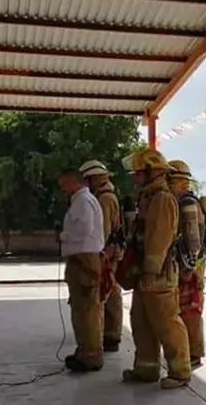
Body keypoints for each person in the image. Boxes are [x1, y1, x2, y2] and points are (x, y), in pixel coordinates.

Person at [120, 149, 191, 389]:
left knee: (166, 322)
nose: (134, 177)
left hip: (158, 274)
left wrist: (150, 270)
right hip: (145, 272)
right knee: (140, 320)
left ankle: (180, 372)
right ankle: (146, 369)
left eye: (138, 172)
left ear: (152, 172)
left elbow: (158, 238)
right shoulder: (148, 196)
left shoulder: (161, 198)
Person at [57, 169, 106, 373]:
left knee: (86, 309)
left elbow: (83, 229)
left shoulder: (83, 201)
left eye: (63, 183)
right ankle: (85, 350)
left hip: (84, 258)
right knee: (81, 307)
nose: (61, 188)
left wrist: (63, 236)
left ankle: (91, 354)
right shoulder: (83, 199)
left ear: (72, 181)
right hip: (83, 258)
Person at [79, 160, 124, 353]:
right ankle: (110, 334)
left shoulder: (105, 198)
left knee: (108, 292)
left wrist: (97, 253)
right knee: (110, 291)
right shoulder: (106, 195)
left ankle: (111, 335)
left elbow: (103, 229)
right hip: (111, 251)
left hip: (107, 253)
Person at [167, 160, 206, 368]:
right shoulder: (182, 201)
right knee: (187, 309)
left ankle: (193, 353)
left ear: (179, 182)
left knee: (190, 310)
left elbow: (192, 239)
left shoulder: (187, 203)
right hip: (188, 263)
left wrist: (189, 267)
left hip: (190, 265)